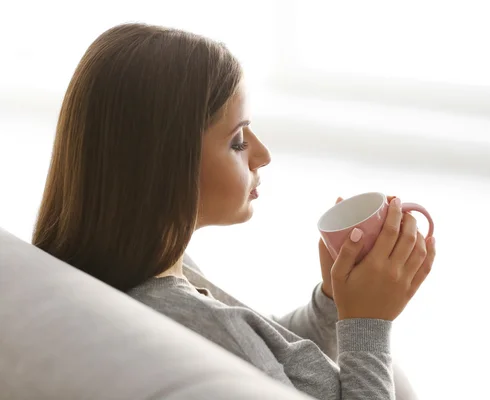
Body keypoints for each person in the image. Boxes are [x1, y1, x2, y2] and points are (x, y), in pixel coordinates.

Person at [32, 23, 437, 400]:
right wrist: (368, 325)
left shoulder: (142, 267)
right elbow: (248, 347)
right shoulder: (193, 324)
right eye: (238, 140)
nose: (262, 154)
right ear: (165, 165)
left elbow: (269, 351)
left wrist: (334, 299)